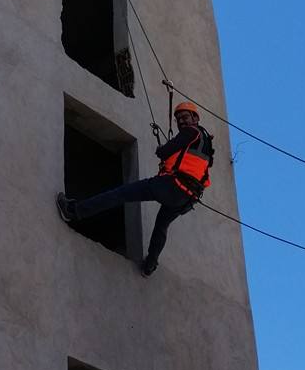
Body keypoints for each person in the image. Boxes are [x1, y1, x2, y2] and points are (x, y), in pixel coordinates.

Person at [56, 102, 214, 276]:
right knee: (162, 226)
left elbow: (164, 152)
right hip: (186, 197)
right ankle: (150, 265)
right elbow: (192, 164)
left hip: (171, 185)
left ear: (195, 118)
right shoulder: (205, 142)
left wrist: (162, 150)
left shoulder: (191, 132)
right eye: (178, 119)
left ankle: (73, 211)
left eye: (185, 117)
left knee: (121, 194)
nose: (181, 122)